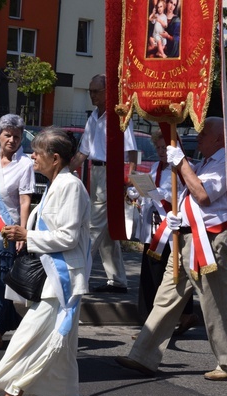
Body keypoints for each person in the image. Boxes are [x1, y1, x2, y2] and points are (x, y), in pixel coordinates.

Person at [0, 127, 91, 396]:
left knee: (26, 346)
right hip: (52, 282)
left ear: (55, 158)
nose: (32, 156)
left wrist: (28, 235)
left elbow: (68, 236)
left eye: (37, 152)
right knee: (59, 353)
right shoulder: (57, 184)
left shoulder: (70, 186)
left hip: (61, 286)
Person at [115, 116, 227, 381]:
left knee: (213, 303)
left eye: (203, 134)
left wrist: (181, 162)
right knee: (167, 296)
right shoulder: (207, 161)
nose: (197, 138)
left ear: (219, 138)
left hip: (209, 240)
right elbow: (190, 198)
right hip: (185, 237)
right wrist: (178, 215)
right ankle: (143, 355)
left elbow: (203, 195)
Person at [72, 74, 138, 294]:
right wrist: (64, 170)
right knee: (108, 233)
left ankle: (78, 275)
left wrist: (129, 179)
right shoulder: (94, 116)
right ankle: (118, 279)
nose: (91, 94)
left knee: (92, 226)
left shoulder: (118, 116)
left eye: (95, 91)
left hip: (112, 171)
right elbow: (84, 151)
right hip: (98, 171)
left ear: (107, 92)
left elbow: (131, 151)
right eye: (90, 90)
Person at [0, 114, 35, 351]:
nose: (12, 140)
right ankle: (9, 322)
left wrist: (23, 231)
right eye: (8, 135)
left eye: (17, 136)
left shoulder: (25, 165)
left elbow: (24, 201)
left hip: (6, 230)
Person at [136, 129, 198, 331]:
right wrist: (138, 194)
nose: (162, 151)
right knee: (151, 272)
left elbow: (182, 196)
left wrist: (159, 193)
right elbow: (149, 193)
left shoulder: (183, 168)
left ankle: (180, 315)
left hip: (172, 227)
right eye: (159, 147)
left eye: (165, 147)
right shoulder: (155, 167)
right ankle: (149, 321)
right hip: (154, 227)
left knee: (173, 274)